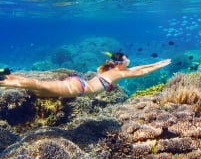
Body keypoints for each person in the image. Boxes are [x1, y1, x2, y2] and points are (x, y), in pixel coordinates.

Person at [0, 52, 171, 98]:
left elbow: (139, 67)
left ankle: (6, 76)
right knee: (35, 84)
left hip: (77, 83)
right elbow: (141, 72)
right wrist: (159, 66)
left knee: (38, 89)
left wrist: (156, 63)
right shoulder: (118, 74)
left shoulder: (113, 70)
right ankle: (3, 80)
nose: (129, 62)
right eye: (127, 60)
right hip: (78, 88)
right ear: (120, 64)